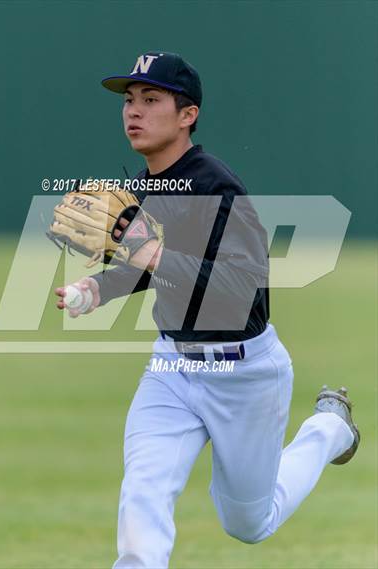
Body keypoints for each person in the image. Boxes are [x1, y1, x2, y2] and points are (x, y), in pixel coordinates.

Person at [55, 52, 360, 568]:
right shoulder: (148, 184)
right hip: (172, 368)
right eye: (129, 101)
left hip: (244, 372)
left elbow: (240, 285)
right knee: (144, 491)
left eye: (152, 100)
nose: (134, 111)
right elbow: (151, 266)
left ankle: (329, 429)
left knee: (247, 523)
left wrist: (147, 250)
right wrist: (98, 290)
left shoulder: (217, 185)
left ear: (188, 115)